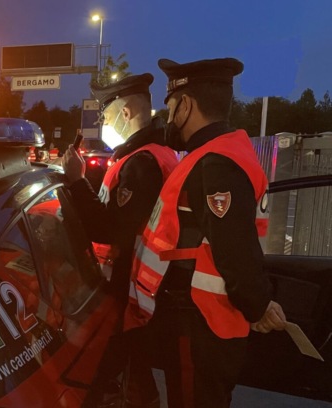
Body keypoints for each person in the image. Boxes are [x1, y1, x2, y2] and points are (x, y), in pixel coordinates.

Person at [124, 57, 287, 408]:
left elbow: (235, 252)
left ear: (185, 105)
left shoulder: (216, 165)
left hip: (199, 324)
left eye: (170, 107)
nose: (167, 117)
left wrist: (257, 306)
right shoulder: (219, 155)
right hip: (206, 322)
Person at [62, 73, 179, 408]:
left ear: (125, 113)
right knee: (136, 380)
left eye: (105, 115)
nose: (103, 122)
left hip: (134, 296)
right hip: (142, 293)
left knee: (129, 388)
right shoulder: (151, 154)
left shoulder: (142, 164)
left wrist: (75, 182)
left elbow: (112, 229)